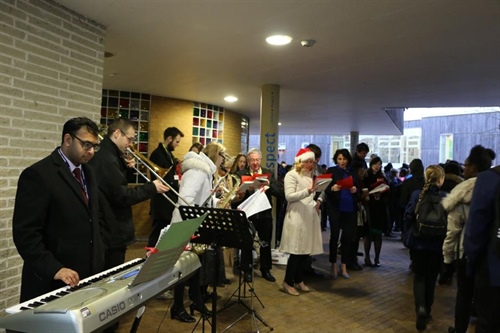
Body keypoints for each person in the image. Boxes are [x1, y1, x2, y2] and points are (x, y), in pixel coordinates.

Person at [12, 117, 105, 302]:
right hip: (53, 281)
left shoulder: (89, 172)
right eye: (86, 145)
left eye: (95, 146)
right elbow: (26, 234)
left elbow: (93, 219)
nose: (91, 152)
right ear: (68, 140)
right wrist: (54, 269)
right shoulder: (38, 175)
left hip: (86, 277)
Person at [89, 118, 169, 269]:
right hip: (111, 229)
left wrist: (128, 169)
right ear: (117, 133)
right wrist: (151, 188)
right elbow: (122, 196)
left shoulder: (111, 155)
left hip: (111, 227)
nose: (131, 143)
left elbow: (116, 184)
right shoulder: (107, 159)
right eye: (130, 138)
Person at [169, 141, 226, 323]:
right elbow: (185, 201)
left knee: (195, 267)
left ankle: (196, 301)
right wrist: (181, 235)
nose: (223, 161)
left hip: (196, 225)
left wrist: (215, 200)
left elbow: (201, 200)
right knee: (183, 269)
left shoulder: (206, 172)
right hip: (186, 226)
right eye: (223, 156)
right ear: (216, 155)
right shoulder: (198, 170)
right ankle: (177, 307)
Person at [442, 146, 496, 333]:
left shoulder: (462, 192)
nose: (463, 169)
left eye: (465, 165)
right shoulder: (495, 187)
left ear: (473, 167)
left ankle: (459, 329)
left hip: (467, 252)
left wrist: (447, 260)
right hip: (491, 255)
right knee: (486, 302)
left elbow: (453, 230)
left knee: (464, 295)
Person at [405, 165, 446, 332]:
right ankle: (427, 310)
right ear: (440, 180)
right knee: (431, 278)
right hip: (437, 245)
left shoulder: (417, 195)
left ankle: (420, 308)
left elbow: (408, 215)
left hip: (418, 243)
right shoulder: (445, 197)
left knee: (419, 277)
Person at [280, 148, 323, 296]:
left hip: (309, 215)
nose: (309, 165)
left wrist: (319, 198)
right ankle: (287, 282)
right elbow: (289, 196)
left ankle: (299, 279)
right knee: (296, 251)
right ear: (299, 162)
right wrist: (308, 191)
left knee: (305, 251)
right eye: (306, 162)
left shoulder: (313, 176)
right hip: (297, 215)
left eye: (312, 162)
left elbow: (319, 192)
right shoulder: (291, 175)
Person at [237, 148, 284, 283]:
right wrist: (246, 190)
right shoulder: (241, 174)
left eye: (257, 160)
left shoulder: (268, 173)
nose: (255, 163)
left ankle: (265, 269)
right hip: (248, 214)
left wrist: (268, 184)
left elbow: (279, 193)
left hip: (264, 214)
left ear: (261, 160)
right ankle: (247, 270)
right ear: (248, 161)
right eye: (252, 160)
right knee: (247, 242)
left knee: (265, 242)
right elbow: (237, 195)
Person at [464, 164, 500, 333]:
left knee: (488, 323)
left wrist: (473, 261)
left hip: (493, 268)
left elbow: (475, 229)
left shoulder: (489, 179)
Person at [147, 127, 184, 248]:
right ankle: (149, 259)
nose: (177, 145)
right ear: (169, 138)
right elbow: (158, 178)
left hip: (169, 200)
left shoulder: (168, 154)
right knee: (157, 233)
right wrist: (174, 183)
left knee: (163, 233)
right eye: (176, 141)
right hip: (161, 201)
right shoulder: (158, 154)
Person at [324, 149, 358, 279]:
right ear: (336, 160)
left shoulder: (352, 172)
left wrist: (355, 190)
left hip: (349, 208)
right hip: (335, 208)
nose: (342, 162)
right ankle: (333, 263)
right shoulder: (332, 171)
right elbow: (325, 188)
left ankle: (343, 265)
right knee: (335, 236)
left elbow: (358, 187)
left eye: (344, 159)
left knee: (348, 237)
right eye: (339, 159)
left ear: (348, 159)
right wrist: (332, 188)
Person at [363, 156, 390, 267]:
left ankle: (377, 258)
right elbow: (364, 189)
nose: (377, 166)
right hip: (369, 207)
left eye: (379, 164)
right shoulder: (366, 175)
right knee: (368, 234)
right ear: (371, 164)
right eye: (375, 164)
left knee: (378, 234)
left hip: (379, 209)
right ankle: (367, 257)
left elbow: (388, 192)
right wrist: (370, 191)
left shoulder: (383, 176)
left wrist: (382, 191)